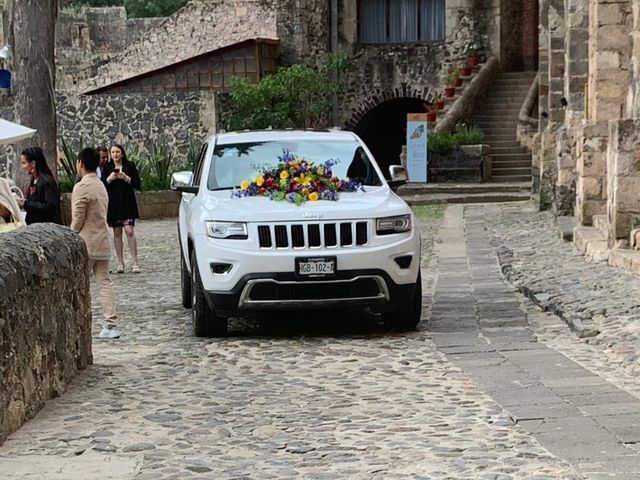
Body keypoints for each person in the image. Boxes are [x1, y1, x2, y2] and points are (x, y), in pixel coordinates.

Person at [71, 147, 121, 339]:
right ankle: (110, 323)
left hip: (87, 242)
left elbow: (77, 218)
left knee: (80, 284)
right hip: (102, 240)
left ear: (81, 164)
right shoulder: (100, 184)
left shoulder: (82, 187)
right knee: (104, 283)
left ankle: (81, 324)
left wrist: (70, 234)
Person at [102, 144, 141, 274]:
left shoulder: (130, 166)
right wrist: (109, 179)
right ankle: (120, 262)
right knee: (117, 233)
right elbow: (102, 185)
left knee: (129, 231)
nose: (115, 155)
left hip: (127, 202)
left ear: (122, 153)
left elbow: (137, 184)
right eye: (112, 152)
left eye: (117, 152)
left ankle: (135, 261)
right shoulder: (107, 168)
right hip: (114, 203)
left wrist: (126, 178)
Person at [18, 147, 62, 225]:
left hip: (46, 230)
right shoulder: (34, 180)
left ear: (33, 164)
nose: (22, 167)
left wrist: (26, 204)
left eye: (24, 163)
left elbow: (50, 207)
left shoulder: (47, 182)